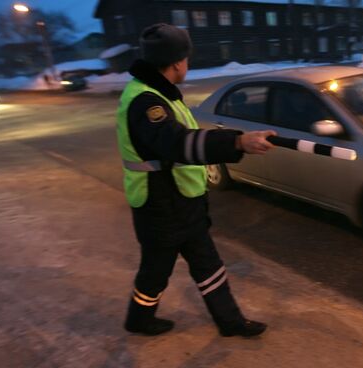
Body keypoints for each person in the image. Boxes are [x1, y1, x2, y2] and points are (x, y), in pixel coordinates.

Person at [116, 23, 276, 337]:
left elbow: (182, 140)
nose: (188, 65)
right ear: (177, 62)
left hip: (178, 199)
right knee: (155, 271)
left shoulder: (157, 94)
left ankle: (229, 322)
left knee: (206, 263)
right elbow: (178, 143)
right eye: (186, 58)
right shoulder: (147, 103)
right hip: (159, 204)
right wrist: (237, 143)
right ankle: (139, 319)